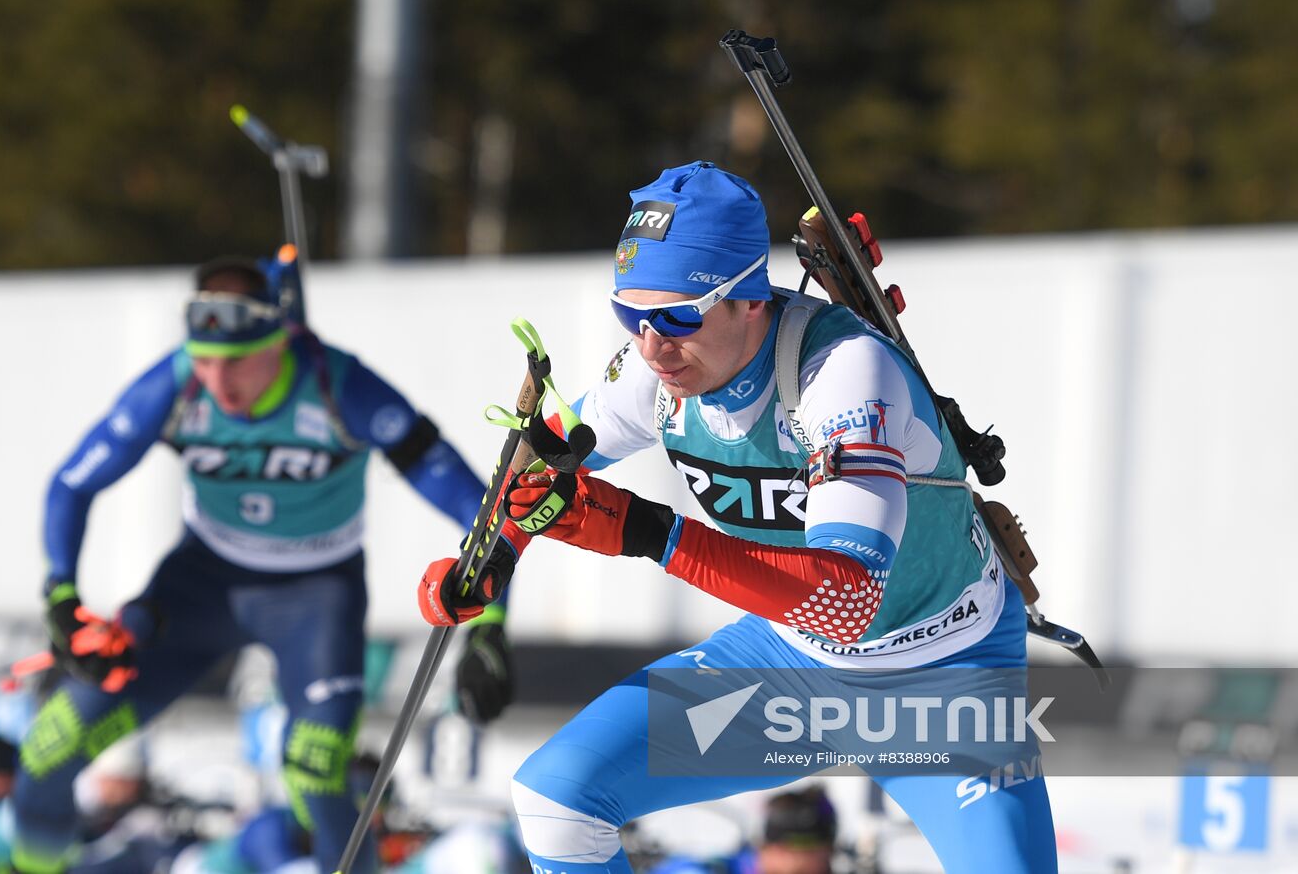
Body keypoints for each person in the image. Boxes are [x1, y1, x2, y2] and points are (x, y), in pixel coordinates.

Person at [417, 162, 1055, 872]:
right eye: (630, 316)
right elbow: (539, 470)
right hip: (791, 667)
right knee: (556, 803)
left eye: (678, 317)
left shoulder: (843, 372)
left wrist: (647, 533)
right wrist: (489, 558)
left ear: (749, 299)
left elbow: (846, 599)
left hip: (940, 675)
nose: (652, 346)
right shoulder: (650, 371)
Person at [11, 256, 511, 874]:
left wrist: (490, 623)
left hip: (316, 597)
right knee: (48, 747)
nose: (219, 381)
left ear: (280, 341)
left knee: (316, 771)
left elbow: (480, 509)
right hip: (201, 586)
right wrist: (61, 599)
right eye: (204, 358)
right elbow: (70, 486)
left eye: (237, 361)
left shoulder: (338, 385)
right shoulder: (176, 385)